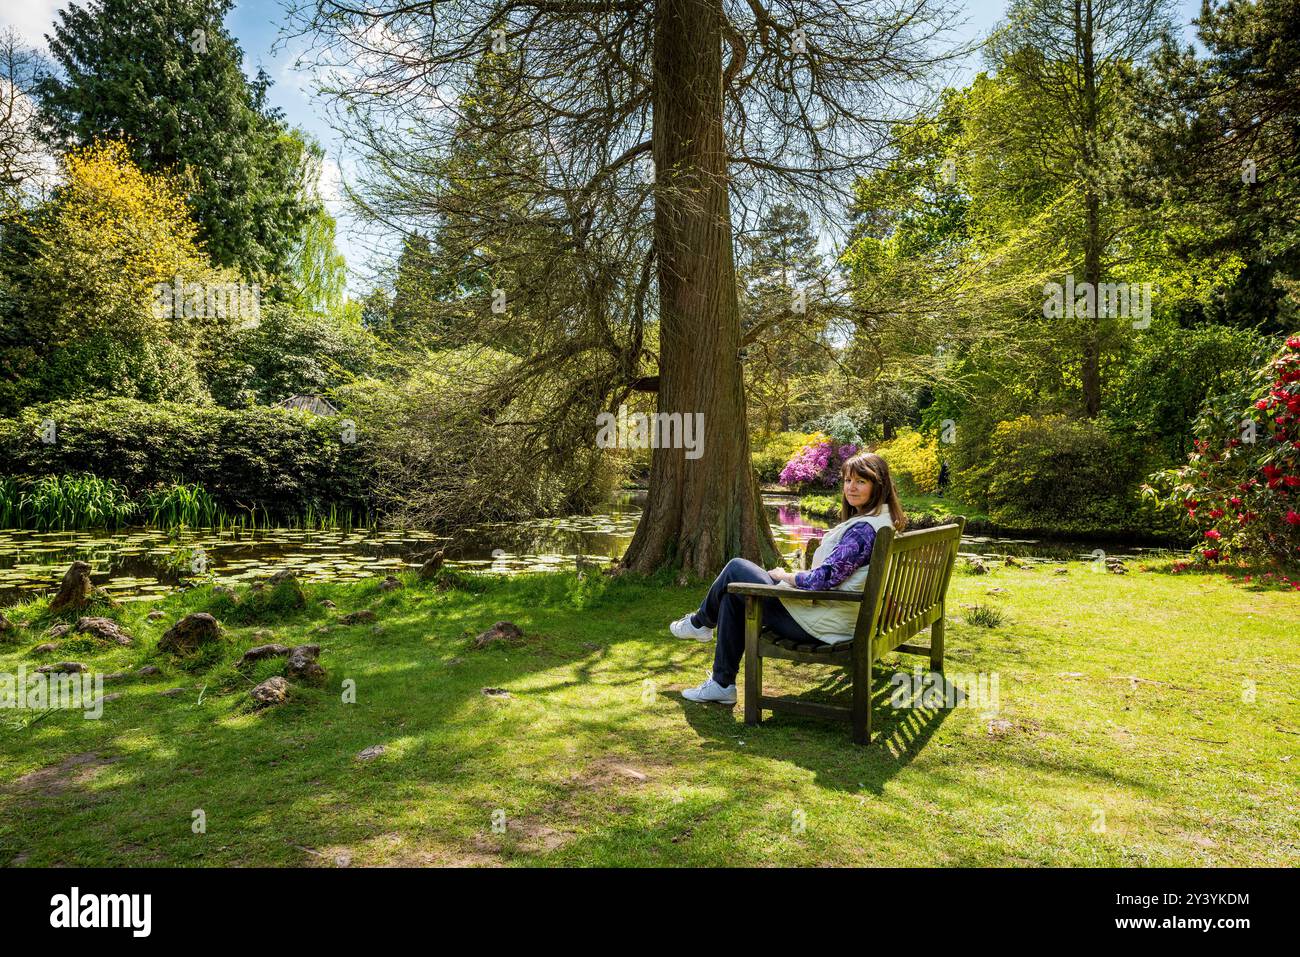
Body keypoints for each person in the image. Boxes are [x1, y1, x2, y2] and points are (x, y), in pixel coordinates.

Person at [670, 451, 907, 703]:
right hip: (840, 616)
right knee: (733, 596)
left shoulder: (863, 531)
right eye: (848, 480)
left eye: (861, 481)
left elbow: (824, 579)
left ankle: (700, 623)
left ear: (878, 486)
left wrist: (787, 576)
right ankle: (722, 684)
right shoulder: (880, 520)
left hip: (823, 626)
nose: (851, 487)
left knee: (736, 567)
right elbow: (836, 575)